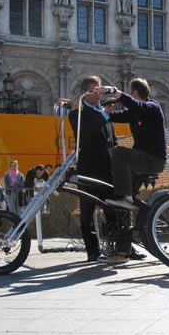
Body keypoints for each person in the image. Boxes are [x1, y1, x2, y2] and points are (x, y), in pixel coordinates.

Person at [62, 76, 117, 261]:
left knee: (112, 208)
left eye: (99, 90)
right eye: (94, 91)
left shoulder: (104, 112)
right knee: (87, 211)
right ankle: (92, 250)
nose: (98, 95)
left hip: (107, 168)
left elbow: (112, 139)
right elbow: (88, 133)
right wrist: (104, 113)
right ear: (85, 93)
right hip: (88, 168)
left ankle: (116, 247)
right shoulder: (77, 114)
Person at [97, 78, 166, 212]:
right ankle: (126, 201)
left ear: (134, 93)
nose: (128, 94)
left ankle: (125, 196)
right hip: (141, 158)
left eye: (129, 91)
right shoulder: (135, 112)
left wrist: (116, 93)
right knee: (112, 160)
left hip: (154, 159)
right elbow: (115, 117)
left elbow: (138, 106)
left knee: (118, 152)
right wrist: (105, 110)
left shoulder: (152, 107)